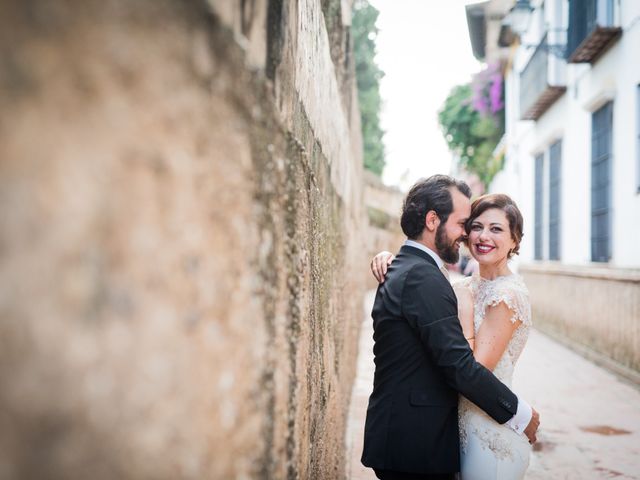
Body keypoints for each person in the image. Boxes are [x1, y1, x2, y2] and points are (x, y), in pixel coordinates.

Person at [362, 175, 539, 480]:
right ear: (433, 221)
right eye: (467, 225)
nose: (469, 234)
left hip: (442, 434)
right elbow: (461, 367)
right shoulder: (422, 275)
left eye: (495, 228)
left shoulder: (420, 271)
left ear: (515, 240)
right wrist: (521, 414)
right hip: (414, 443)